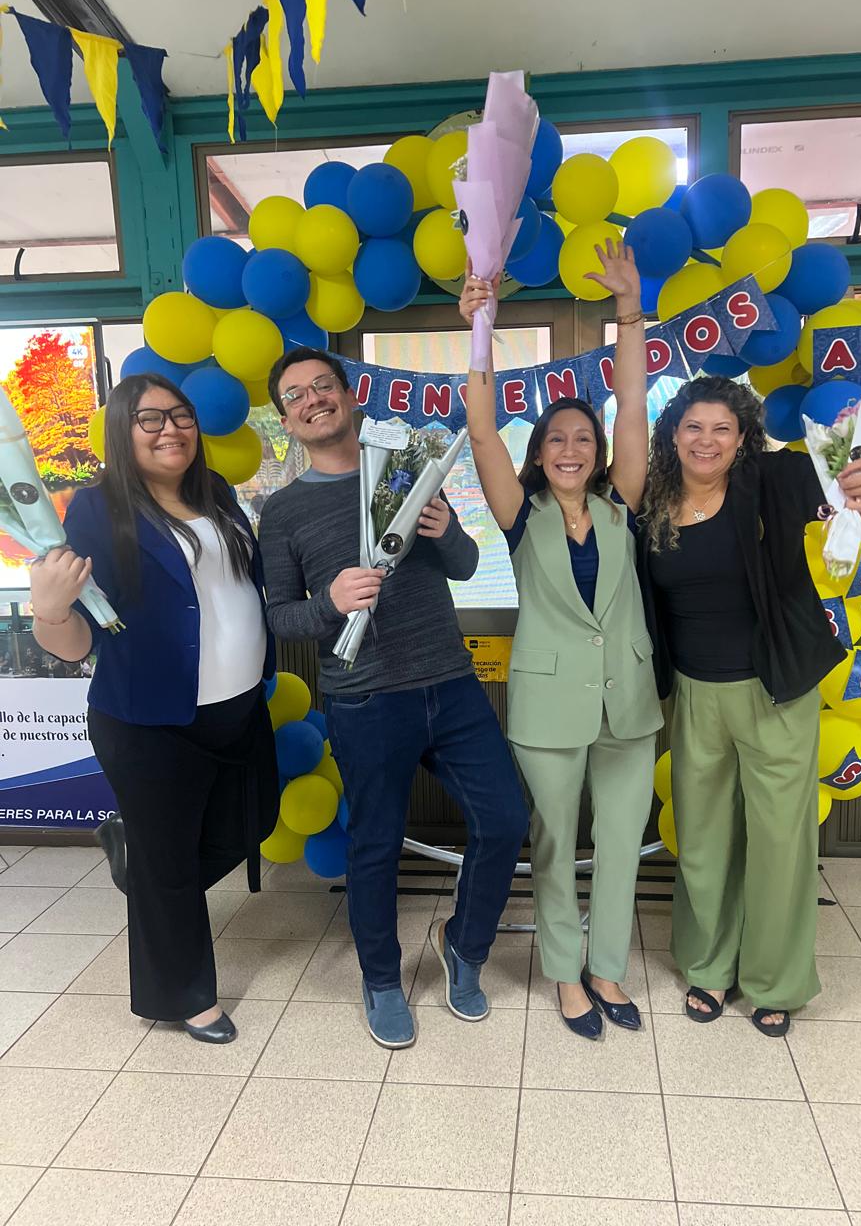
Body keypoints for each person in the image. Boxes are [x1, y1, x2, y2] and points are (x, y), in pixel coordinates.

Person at [258, 349, 528, 1050]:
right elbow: (278, 616)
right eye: (296, 396)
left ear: (349, 396)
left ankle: (463, 948)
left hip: (451, 684)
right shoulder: (283, 511)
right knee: (373, 847)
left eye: (323, 386)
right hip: (365, 700)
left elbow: (467, 566)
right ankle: (380, 979)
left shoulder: (408, 470)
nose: (313, 399)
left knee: (503, 818)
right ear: (288, 420)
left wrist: (445, 533)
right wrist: (329, 601)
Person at [637, 375, 861, 1036]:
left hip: (774, 688)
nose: (706, 440)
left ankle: (774, 980)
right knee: (704, 841)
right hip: (694, 693)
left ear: (742, 438)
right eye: (693, 427)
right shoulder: (653, 501)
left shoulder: (777, 479)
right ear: (673, 435)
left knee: (778, 842)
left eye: (721, 429)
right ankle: (709, 965)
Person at [29, 373, 280, 1045]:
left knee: (251, 823)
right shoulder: (96, 510)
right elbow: (84, 635)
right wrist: (49, 608)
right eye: (150, 419)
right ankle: (183, 997)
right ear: (122, 430)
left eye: (181, 416)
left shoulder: (217, 494)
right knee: (170, 870)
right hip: (149, 721)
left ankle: (137, 863)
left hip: (240, 706)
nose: (171, 429)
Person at [461, 241, 663, 1040]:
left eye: (583, 438)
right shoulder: (522, 516)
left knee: (619, 844)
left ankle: (608, 967)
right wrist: (481, 324)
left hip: (630, 703)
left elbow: (637, 408)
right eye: (556, 442)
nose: (572, 449)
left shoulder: (623, 505)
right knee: (553, 848)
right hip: (548, 709)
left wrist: (629, 311)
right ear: (540, 456)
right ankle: (564, 974)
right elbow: (480, 434)